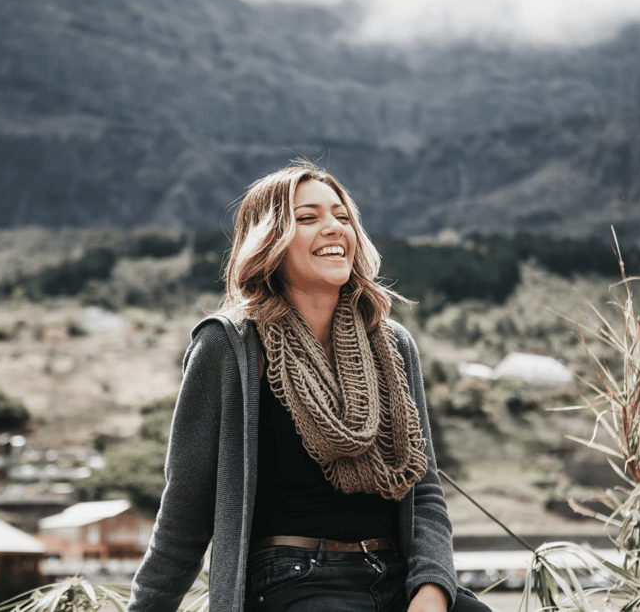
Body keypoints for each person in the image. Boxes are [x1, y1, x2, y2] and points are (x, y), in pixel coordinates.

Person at [127, 160, 494, 612]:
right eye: (307, 217)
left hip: (395, 576)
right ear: (269, 241)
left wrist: (432, 591)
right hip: (292, 581)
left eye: (342, 216)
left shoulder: (394, 345)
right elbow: (185, 513)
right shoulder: (228, 347)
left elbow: (424, 492)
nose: (334, 228)